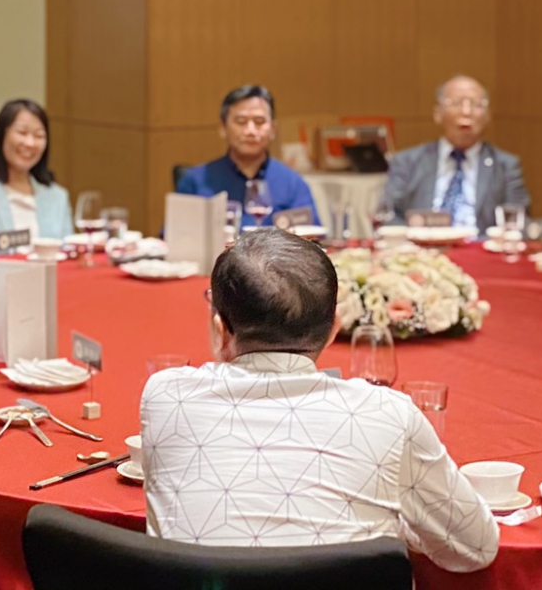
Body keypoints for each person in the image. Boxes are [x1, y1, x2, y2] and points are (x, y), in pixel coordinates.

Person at [140, 230, 498, 570]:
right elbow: (475, 549)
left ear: (220, 330)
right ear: (333, 329)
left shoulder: (166, 396)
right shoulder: (387, 413)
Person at [381, 75, 530, 234]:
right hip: (423, 245)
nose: (466, 112)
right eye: (456, 103)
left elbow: (519, 220)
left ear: (487, 115)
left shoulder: (506, 166)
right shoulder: (407, 162)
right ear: (438, 113)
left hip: (481, 246)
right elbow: (388, 216)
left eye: (476, 104)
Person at [176, 84, 317, 226]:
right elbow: (176, 235)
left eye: (259, 121)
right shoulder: (195, 181)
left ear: (273, 129)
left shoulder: (293, 183)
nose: (250, 131)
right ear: (223, 128)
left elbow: (313, 235)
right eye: (241, 122)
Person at [0, 99, 73, 252]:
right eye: (22, 133)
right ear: (1, 135)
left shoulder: (58, 196)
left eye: (39, 136)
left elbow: (67, 253)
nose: (30, 143)